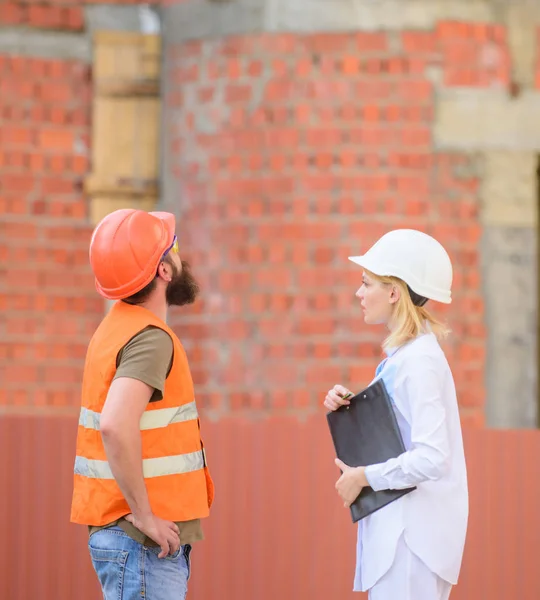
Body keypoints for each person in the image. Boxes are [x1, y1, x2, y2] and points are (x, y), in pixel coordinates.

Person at [70, 208, 214, 600]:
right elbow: (115, 424)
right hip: (142, 544)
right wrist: (146, 516)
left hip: (128, 539)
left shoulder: (116, 328)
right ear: (164, 270)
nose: (181, 256)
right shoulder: (150, 338)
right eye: (175, 248)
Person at [324, 229, 468, 600]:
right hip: (405, 539)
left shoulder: (418, 361)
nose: (358, 293)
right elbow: (400, 433)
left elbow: (433, 457)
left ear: (393, 292)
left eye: (366, 283)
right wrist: (352, 407)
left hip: (412, 542)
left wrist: (363, 477)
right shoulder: (405, 357)